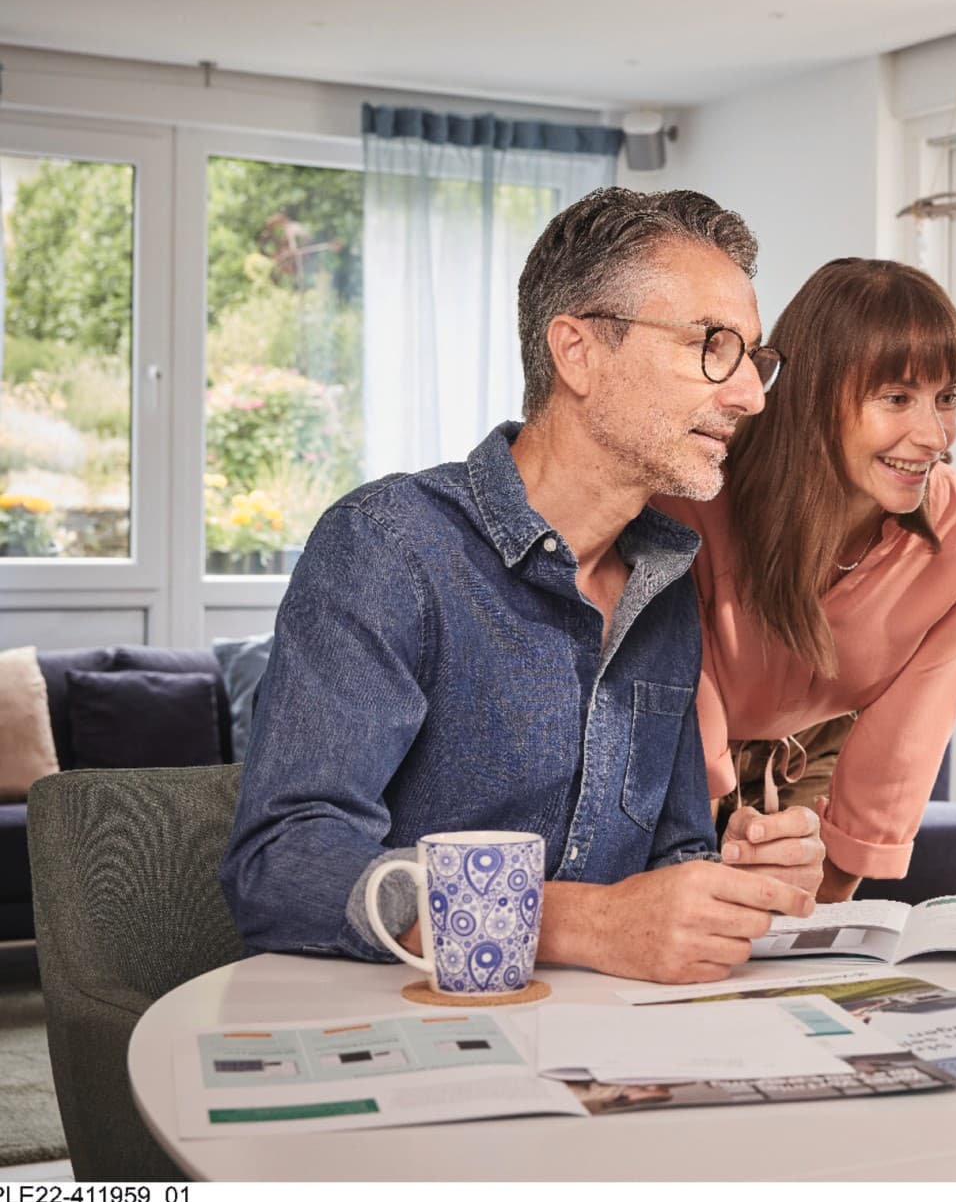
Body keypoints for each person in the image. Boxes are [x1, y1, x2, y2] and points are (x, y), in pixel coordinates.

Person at [221, 188, 824, 985]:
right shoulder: (390, 547)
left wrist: (734, 887)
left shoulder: (665, 582)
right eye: (713, 344)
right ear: (577, 350)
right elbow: (281, 863)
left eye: (754, 357)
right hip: (414, 1035)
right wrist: (572, 921)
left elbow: (673, 856)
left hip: (605, 1046)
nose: (749, 394)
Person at [657, 258, 956, 901]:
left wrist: (819, 921)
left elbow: (901, 749)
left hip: (810, 758)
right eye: (897, 399)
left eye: (948, 399)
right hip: (668, 749)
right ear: (814, 394)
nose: (935, 437)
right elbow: (677, 693)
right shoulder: (695, 494)